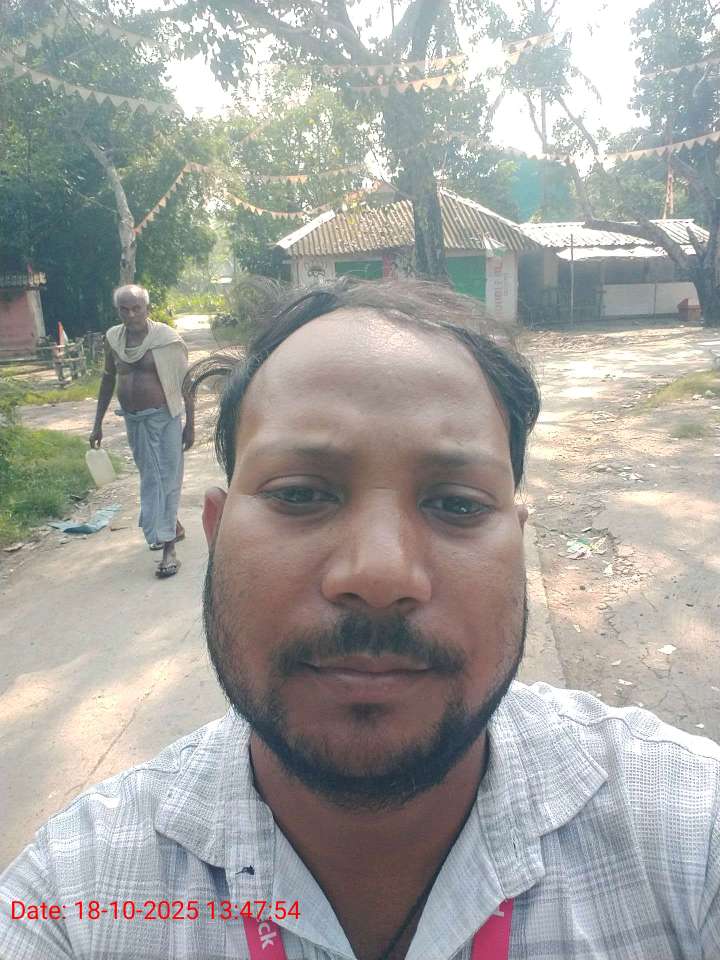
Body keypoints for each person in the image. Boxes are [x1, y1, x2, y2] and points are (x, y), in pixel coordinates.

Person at [1, 279, 719, 959]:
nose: (380, 576)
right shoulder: (72, 903)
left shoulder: (690, 832)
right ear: (216, 536)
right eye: (300, 493)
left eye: (458, 504)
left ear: (518, 544)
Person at [88, 284, 195, 578]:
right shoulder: (114, 339)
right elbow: (108, 379)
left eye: (137, 308)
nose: (131, 314)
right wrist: (97, 424)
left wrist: (190, 425)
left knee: (167, 479)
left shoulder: (166, 339)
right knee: (151, 477)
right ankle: (171, 526)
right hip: (133, 421)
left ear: (147, 308)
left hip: (165, 418)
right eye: (124, 309)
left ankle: (169, 549)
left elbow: (185, 383)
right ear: (118, 311)